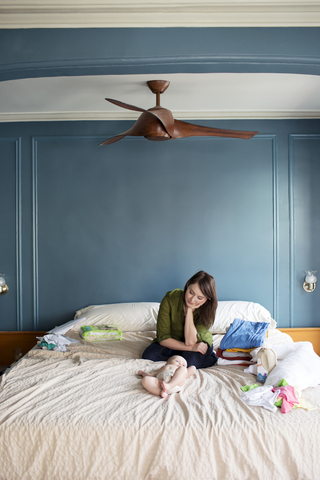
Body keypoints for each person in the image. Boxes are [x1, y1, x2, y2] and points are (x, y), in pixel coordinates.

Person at [142, 270, 218, 369]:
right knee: (149, 355)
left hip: (198, 343)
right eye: (191, 292)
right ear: (187, 284)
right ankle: (183, 354)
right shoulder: (170, 298)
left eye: (199, 298)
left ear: (206, 299)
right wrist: (191, 348)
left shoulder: (208, 309)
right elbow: (163, 337)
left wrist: (189, 311)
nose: (192, 299)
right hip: (174, 341)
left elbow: (191, 341)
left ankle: (211, 357)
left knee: (188, 363)